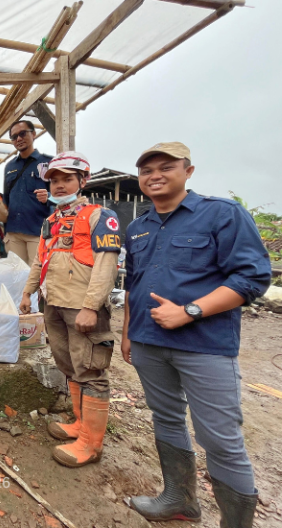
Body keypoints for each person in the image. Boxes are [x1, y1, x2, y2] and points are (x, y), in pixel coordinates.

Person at [121, 142, 270, 527]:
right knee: (166, 418)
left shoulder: (222, 214)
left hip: (204, 345)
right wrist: (127, 333)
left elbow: (252, 277)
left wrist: (190, 312)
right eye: (146, 170)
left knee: (220, 439)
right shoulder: (138, 227)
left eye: (165, 167)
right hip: (147, 342)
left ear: (188, 171)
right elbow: (133, 284)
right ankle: (180, 500)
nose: (154, 175)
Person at [19, 152, 120, 469]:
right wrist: (28, 291)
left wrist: (91, 307)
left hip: (84, 308)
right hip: (55, 305)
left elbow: (107, 265)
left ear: (83, 181)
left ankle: (91, 444)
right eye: (54, 180)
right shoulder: (50, 221)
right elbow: (40, 259)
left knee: (92, 370)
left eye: (67, 179)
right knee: (69, 365)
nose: (60, 185)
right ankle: (79, 425)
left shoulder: (99, 216)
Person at [3, 120, 52, 266]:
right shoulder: (9, 166)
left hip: (38, 232)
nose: (18, 139)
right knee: (16, 277)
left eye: (22, 133)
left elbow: (63, 194)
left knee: (37, 277)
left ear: (34, 134)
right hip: (13, 233)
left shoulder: (49, 163)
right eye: (14, 137)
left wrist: (48, 197)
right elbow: (7, 199)